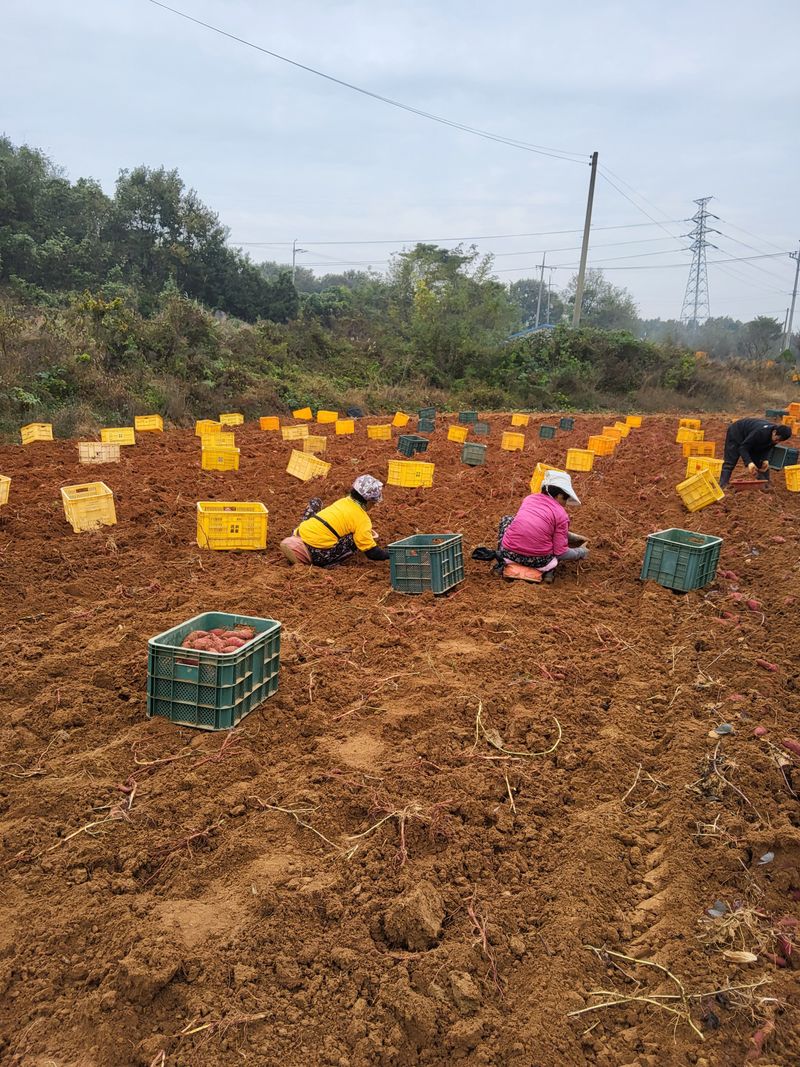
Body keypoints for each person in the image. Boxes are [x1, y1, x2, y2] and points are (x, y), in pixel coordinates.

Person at [472, 470, 588, 583]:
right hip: (539, 561)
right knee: (554, 544)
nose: (565, 503)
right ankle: (549, 571)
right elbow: (561, 553)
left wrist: (569, 536)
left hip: (510, 554)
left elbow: (531, 526)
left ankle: (501, 563)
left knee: (507, 519)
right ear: (559, 495)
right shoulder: (561, 514)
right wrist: (581, 552)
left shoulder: (529, 499)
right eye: (565, 499)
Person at [279, 475, 390, 567]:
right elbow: (371, 553)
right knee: (354, 539)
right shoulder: (362, 520)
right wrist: (389, 554)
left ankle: (297, 543)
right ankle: (328, 562)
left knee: (318, 510)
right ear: (370, 502)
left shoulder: (343, 501)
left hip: (300, 534)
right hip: (317, 552)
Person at [719, 418, 792, 488]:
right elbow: (743, 448)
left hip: (751, 437)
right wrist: (749, 462)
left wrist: (765, 459)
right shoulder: (760, 432)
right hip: (737, 432)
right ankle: (723, 484)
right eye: (777, 439)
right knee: (730, 461)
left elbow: (766, 448)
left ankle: (765, 484)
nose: (777, 442)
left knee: (761, 463)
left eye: (779, 441)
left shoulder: (776, 436)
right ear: (774, 432)